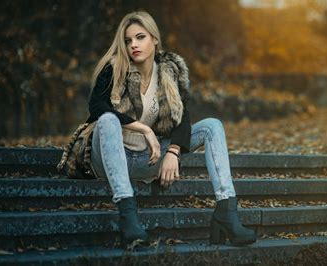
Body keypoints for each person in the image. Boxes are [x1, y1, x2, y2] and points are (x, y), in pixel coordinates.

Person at [59, 10, 257, 247]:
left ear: (154, 38)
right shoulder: (115, 67)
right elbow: (96, 106)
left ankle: (226, 210)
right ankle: (129, 219)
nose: (134, 45)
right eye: (128, 40)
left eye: (140, 37)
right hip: (109, 156)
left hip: (147, 158)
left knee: (212, 126)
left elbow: (182, 118)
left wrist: (173, 151)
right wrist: (144, 129)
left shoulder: (170, 71)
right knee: (107, 119)